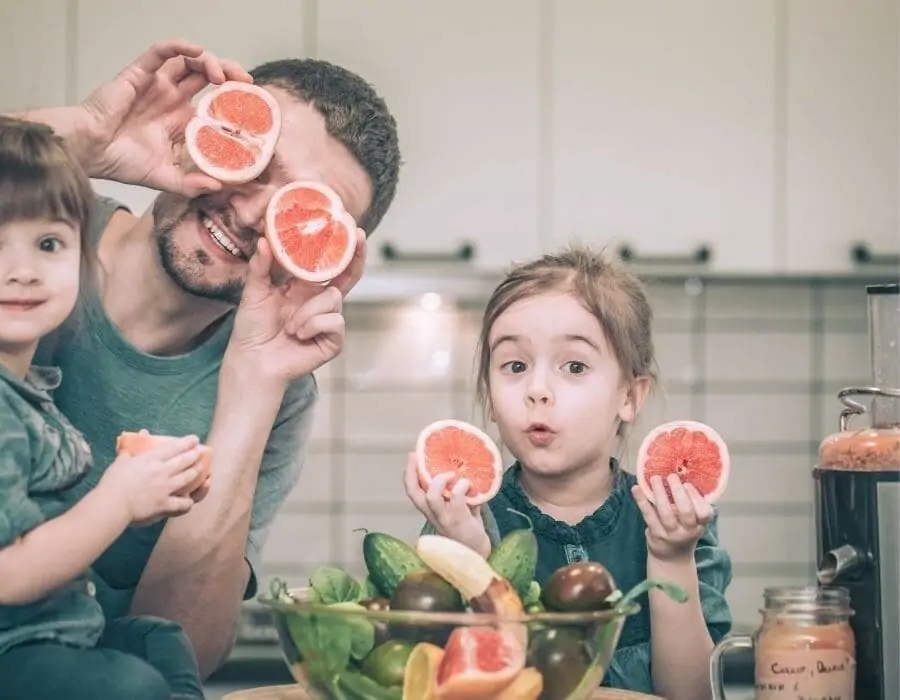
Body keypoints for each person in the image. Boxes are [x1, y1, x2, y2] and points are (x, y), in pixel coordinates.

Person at [7, 38, 402, 679]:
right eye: (253, 165)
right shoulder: (30, 255)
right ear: (205, 131)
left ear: (321, 249)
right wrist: (74, 141)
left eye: (294, 211)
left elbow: (181, 649)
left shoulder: (281, 387)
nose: (248, 212)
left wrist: (252, 384)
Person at [405, 246, 732, 700]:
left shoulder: (675, 521)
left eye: (574, 366)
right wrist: (473, 557)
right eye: (514, 366)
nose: (537, 390)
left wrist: (672, 558)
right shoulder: (463, 519)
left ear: (630, 398)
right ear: (490, 396)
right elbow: (444, 684)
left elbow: (690, 695)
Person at [0, 115, 212, 699]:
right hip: (12, 647)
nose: (21, 270)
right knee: (128, 685)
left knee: (157, 640)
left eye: (48, 244)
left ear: (83, 257)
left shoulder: (33, 390)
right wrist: (117, 499)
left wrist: (143, 499)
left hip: (56, 634)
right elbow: (9, 571)